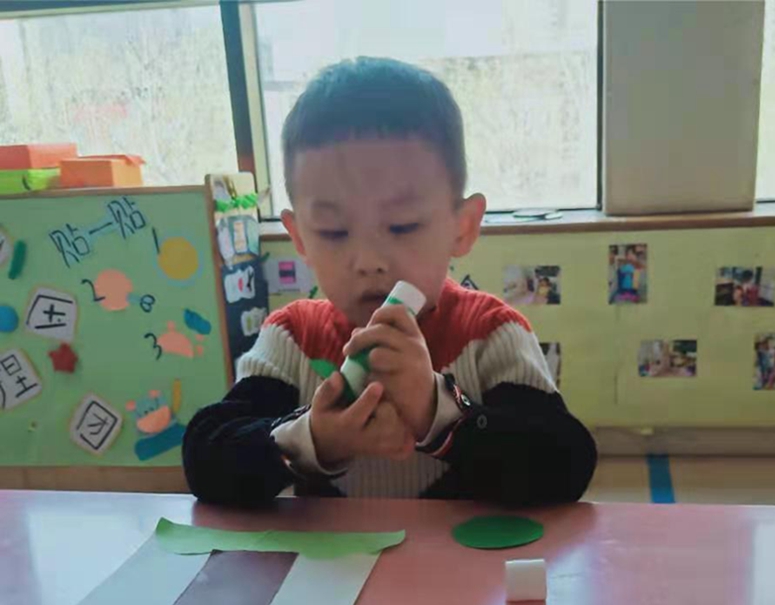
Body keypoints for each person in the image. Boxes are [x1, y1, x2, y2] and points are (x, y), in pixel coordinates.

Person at [183, 57, 597, 507]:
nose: (368, 261)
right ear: (299, 237)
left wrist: (437, 411)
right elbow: (206, 460)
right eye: (333, 232)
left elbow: (565, 466)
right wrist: (311, 438)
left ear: (462, 228)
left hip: (459, 555)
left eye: (402, 226)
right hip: (333, 556)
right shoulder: (291, 339)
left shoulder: (490, 333)